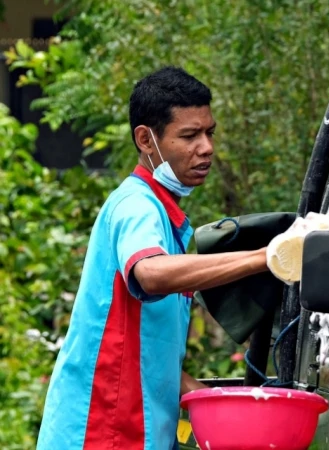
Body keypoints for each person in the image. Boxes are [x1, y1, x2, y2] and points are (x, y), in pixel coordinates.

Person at [36, 66, 270, 450]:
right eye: (190, 135)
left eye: (210, 132)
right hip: (104, 433)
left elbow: (144, 344)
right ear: (146, 139)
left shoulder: (165, 217)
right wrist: (266, 258)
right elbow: (151, 273)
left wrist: (198, 396)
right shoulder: (136, 206)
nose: (207, 147)